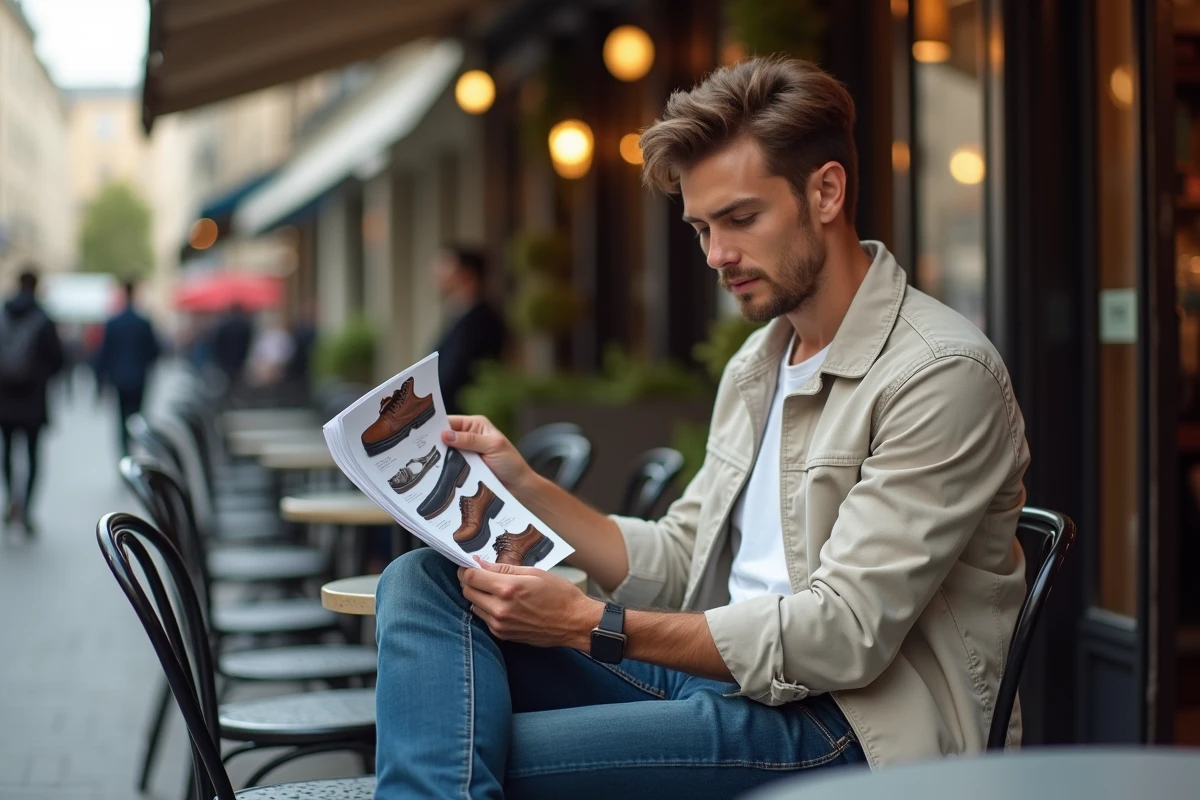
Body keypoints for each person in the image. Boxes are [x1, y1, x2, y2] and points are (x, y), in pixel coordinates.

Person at [372, 57, 1030, 797]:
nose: (717, 254)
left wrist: (592, 625)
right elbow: (686, 558)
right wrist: (525, 486)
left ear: (827, 191)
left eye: (741, 219)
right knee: (424, 581)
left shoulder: (939, 373)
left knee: (462, 747)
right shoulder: (761, 361)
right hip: (722, 682)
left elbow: (843, 636)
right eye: (701, 227)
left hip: (848, 728)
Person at [0, 268, 64, 534]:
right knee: (33, 454)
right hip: (33, 401)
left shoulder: (3, 315)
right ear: (36, 286)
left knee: (7, 452)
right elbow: (58, 360)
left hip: (4, 399)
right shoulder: (43, 319)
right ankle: (26, 509)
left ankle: (10, 501)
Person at [430, 246, 507, 414]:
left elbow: (454, 375)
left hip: (461, 418)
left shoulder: (480, 320)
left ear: (467, 274)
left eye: (446, 265)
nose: (437, 272)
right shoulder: (459, 316)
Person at [93, 279, 160, 456]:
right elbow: (154, 352)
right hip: (138, 378)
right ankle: (133, 449)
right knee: (136, 417)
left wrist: (100, 382)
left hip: (119, 378)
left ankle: (125, 452)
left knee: (121, 419)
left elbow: (104, 354)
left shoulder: (114, 323)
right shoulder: (143, 322)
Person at [210, 303, 253, 390]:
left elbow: (217, 343)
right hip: (238, 359)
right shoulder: (245, 325)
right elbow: (247, 343)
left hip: (224, 359)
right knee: (236, 381)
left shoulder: (223, 324)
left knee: (224, 381)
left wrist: (217, 358)